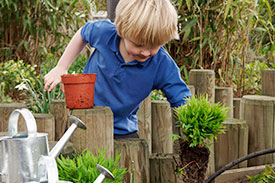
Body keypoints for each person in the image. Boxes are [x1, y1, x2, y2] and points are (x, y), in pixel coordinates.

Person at [44, 0, 191, 139]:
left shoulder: (161, 63)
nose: (146, 52)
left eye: (154, 46)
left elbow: (180, 97)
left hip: (122, 130)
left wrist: (194, 121)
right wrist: (61, 67)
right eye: (139, 45)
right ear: (122, 31)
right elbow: (83, 33)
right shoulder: (105, 33)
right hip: (83, 121)